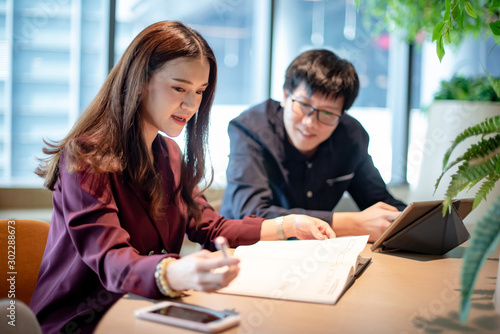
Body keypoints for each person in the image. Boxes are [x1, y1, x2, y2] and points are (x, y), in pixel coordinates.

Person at [29, 22, 335, 334]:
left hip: (145, 308)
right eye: (179, 88)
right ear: (139, 81)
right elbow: (112, 261)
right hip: (82, 322)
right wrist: (174, 272)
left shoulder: (169, 153)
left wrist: (290, 225)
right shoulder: (86, 158)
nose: (191, 105)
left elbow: (210, 226)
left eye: (200, 92)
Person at [220, 49, 406, 243]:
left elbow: (379, 201)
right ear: (285, 95)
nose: (310, 123)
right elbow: (252, 214)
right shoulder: (250, 129)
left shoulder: (351, 136)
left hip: (312, 256)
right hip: (237, 253)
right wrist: (354, 223)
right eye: (303, 105)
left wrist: (417, 220)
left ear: (342, 114)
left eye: (327, 113)